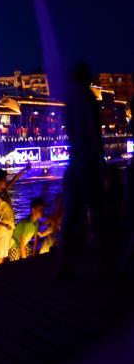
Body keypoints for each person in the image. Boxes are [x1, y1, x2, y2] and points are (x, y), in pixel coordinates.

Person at [58, 62, 105, 276]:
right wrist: (99, 159)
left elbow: (70, 131)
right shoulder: (88, 98)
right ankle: (103, 263)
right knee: (97, 211)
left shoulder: (70, 101)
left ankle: (63, 264)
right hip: (88, 161)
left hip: (75, 161)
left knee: (70, 215)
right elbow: (94, 133)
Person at [0, 165, 28, 266]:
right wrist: (4, 225)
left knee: (3, 257)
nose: (6, 181)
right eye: (4, 180)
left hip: (7, 230)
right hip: (1, 233)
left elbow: (14, 179)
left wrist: (25, 170)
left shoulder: (4, 192)